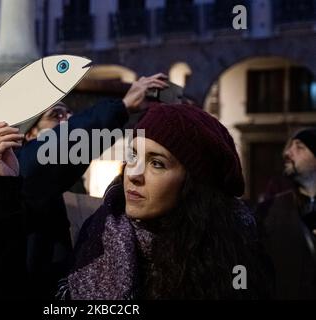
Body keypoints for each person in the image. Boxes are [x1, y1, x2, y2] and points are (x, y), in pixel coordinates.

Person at [0, 74, 168, 298]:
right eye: (56, 115)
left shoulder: (65, 179)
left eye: (69, 114)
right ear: (30, 134)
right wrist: (123, 107)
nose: (68, 120)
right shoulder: (23, 167)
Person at [56, 102, 271, 299]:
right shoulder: (99, 230)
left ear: (193, 185)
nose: (133, 175)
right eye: (133, 156)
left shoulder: (236, 249)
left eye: (156, 163)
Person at [257, 128, 316, 299]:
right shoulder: (268, 211)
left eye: (299, 147)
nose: (288, 153)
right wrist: (241, 290)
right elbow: (246, 264)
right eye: (290, 147)